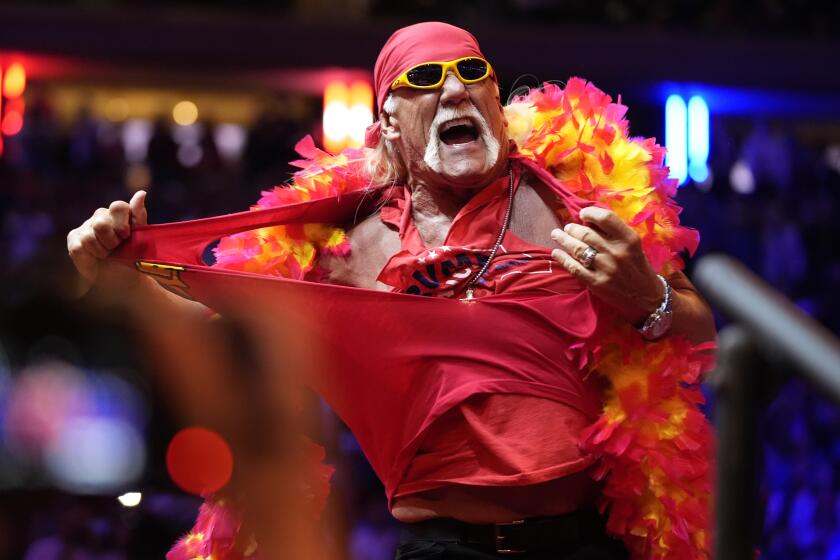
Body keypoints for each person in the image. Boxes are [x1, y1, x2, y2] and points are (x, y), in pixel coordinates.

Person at [68, 22, 716, 560]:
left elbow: (700, 334)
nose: (455, 89)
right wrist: (117, 275)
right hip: (441, 547)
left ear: (498, 104)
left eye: (472, 73)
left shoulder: (579, 202)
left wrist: (647, 296)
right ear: (391, 123)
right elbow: (222, 341)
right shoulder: (345, 249)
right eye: (425, 79)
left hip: (588, 542)